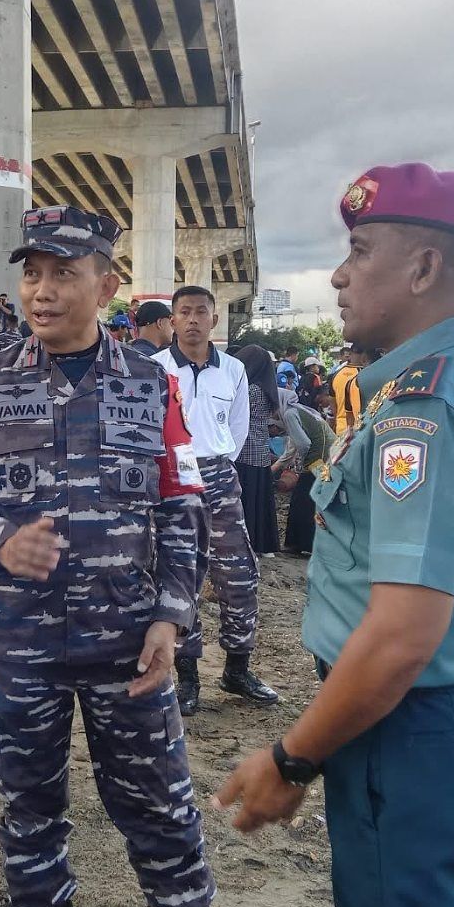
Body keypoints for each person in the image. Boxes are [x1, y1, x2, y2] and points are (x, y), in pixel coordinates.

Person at [215, 163, 454, 907]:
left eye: (359, 250)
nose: (338, 273)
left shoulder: (427, 410)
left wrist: (292, 759)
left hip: (410, 725)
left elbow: (400, 636)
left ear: (426, 268)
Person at [0, 203, 220, 907]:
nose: (43, 290)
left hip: (128, 641)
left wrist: (172, 613)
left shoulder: (150, 384)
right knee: (29, 811)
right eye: (32, 273)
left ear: (107, 285)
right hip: (18, 645)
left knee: (160, 804)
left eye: (64, 273)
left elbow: (178, 502)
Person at [154, 285, 278, 715]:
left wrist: (218, 458)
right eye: (183, 312)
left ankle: (237, 668)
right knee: (183, 575)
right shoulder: (153, 369)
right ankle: (188, 676)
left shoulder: (234, 371)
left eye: (200, 312)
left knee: (239, 572)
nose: (192, 319)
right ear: (172, 320)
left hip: (220, 477)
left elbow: (239, 426)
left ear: (214, 320)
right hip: (173, 481)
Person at [233, 344, 282, 557]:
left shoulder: (250, 390)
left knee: (246, 500)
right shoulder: (267, 390)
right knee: (261, 501)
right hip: (259, 449)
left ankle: (247, 541)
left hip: (244, 450)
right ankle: (263, 543)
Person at [274, 399, 335, 556]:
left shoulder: (289, 414)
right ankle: (306, 544)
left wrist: (299, 467)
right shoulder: (299, 410)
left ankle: (300, 544)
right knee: (313, 498)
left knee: (303, 499)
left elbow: (303, 445)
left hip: (317, 458)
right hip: (328, 453)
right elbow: (291, 449)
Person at [329, 344, 366, 434]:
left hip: (341, 428)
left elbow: (332, 401)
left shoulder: (336, 374)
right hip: (358, 429)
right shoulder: (364, 374)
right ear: (364, 355)